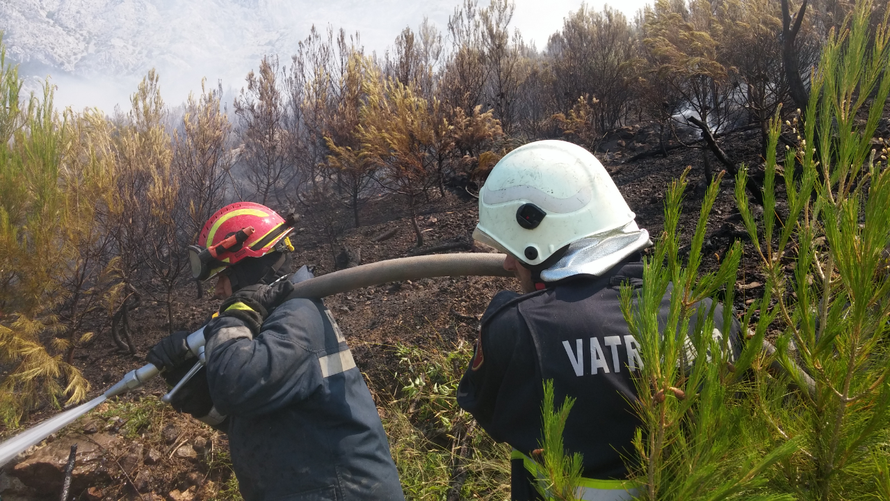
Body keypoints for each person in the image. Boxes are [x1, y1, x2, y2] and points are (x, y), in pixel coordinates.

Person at [456, 140, 740, 501]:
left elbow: (482, 405)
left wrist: (505, 308)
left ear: (538, 235)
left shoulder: (521, 330)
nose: (508, 265)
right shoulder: (713, 315)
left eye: (512, 251)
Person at [147, 201, 405, 501]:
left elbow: (237, 388)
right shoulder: (273, 324)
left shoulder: (298, 316)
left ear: (247, 268)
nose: (217, 290)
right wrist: (197, 392)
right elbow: (256, 419)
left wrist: (234, 315)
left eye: (222, 276)